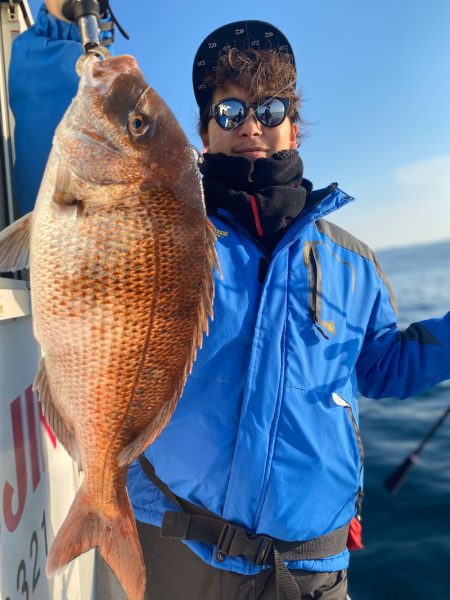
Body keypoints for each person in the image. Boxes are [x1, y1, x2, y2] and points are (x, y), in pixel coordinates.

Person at [8, 7, 450, 600]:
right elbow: (64, 169)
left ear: (295, 125)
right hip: (176, 550)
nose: (251, 127)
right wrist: (64, 29)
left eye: (270, 110)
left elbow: (384, 368)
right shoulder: (173, 234)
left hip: (311, 569)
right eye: (229, 111)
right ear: (206, 129)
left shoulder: (354, 262)